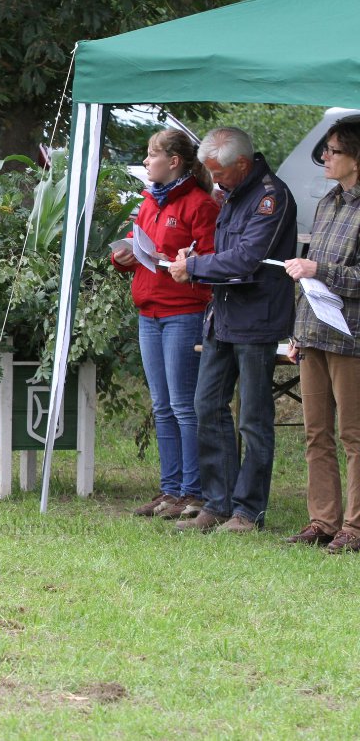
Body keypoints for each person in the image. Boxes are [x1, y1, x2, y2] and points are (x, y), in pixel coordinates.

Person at [169, 126, 297, 533]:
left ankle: (247, 511)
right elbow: (225, 253)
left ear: (241, 164)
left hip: (257, 321)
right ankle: (217, 504)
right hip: (222, 316)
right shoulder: (232, 193)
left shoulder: (269, 196)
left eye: (218, 173)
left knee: (253, 420)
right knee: (207, 407)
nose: (214, 181)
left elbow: (245, 259)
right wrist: (196, 256)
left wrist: (193, 267)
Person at [113, 129, 219, 519]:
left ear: (174, 161)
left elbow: (211, 261)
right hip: (149, 311)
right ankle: (169, 489)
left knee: (183, 405)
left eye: (151, 155)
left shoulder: (199, 204)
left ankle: (192, 491)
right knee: (162, 406)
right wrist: (124, 256)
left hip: (182, 312)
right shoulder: (148, 203)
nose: (145, 161)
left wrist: (183, 265)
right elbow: (135, 242)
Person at [283, 121, 360, 552]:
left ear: (357, 157)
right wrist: (297, 331)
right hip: (313, 333)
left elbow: (323, 271)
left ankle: (355, 527)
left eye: (332, 151)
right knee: (316, 433)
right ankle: (323, 521)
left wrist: (320, 270)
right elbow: (306, 276)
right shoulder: (328, 202)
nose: (325, 158)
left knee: (354, 435)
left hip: (353, 339)